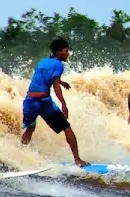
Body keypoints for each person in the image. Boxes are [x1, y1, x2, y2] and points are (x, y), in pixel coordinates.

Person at [21, 38, 87, 166]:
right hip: (43, 103)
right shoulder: (58, 65)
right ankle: (78, 160)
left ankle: (22, 157)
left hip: (29, 101)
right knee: (67, 128)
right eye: (66, 51)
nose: (68, 54)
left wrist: (60, 81)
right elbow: (55, 86)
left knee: (30, 129)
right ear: (59, 51)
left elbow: (42, 77)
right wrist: (63, 104)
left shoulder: (43, 62)